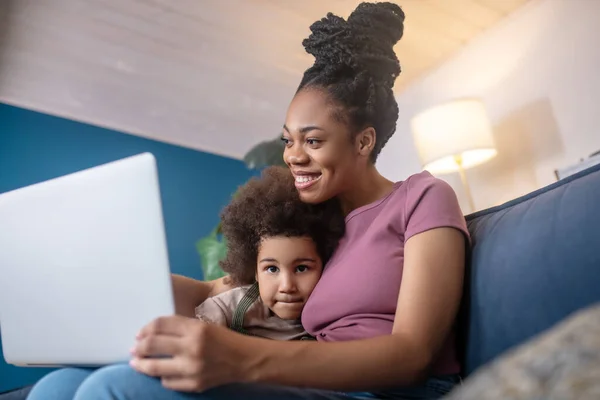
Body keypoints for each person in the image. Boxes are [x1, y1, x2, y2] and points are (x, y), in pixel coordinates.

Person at [26, 2, 470, 399]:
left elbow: (413, 353)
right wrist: (109, 285)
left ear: (363, 141)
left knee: (117, 387)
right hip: (312, 381)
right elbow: (211, 291)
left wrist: (242, 358)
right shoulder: (315, 220)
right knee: (59, 385)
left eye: (312, 140)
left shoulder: (423, 198)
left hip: (387, 392)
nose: (293, 156)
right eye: (289, 140)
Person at [195, 166, 345, 340]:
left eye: (302, 268)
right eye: (272, 269)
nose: (287, 286)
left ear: (326, 264)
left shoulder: (335, 317)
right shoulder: (234, 306)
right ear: (255, 271)